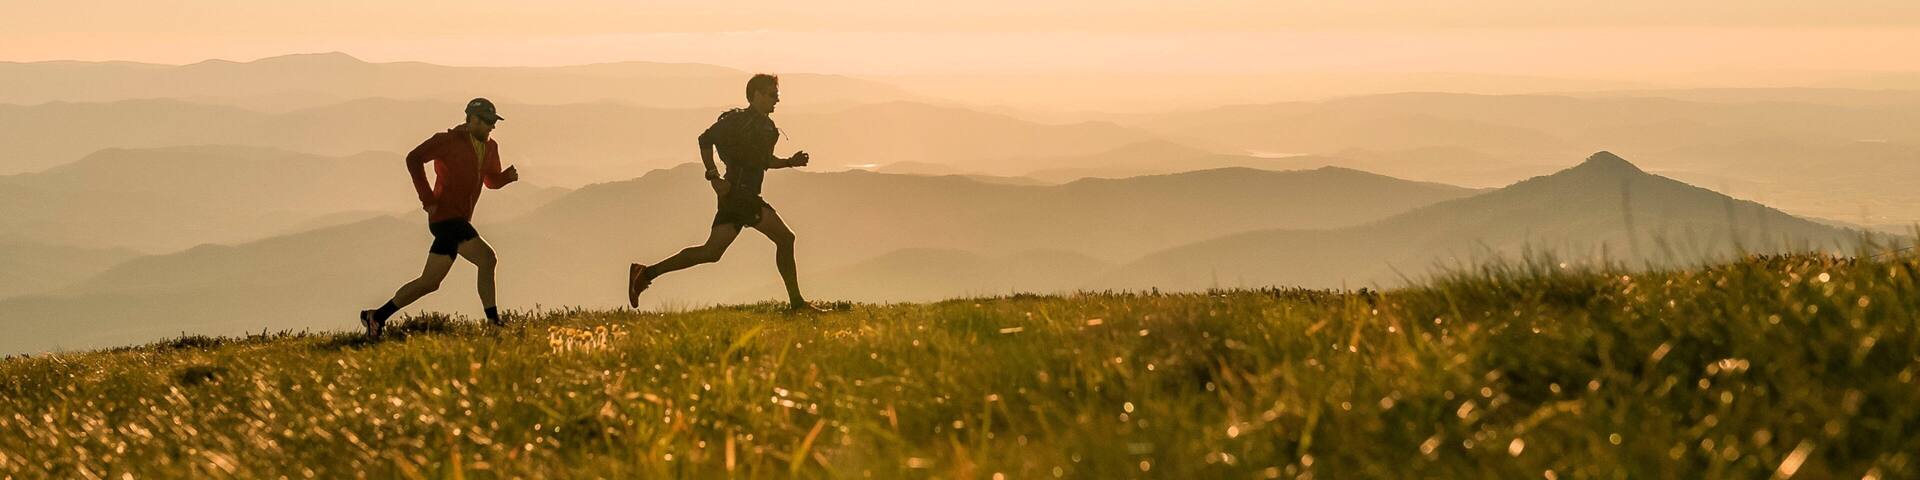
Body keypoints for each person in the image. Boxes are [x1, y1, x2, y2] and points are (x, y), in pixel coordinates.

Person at [628, 74, 827, 312]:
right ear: (756, 95)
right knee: (786, 238)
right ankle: (797, 303)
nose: (777, 100)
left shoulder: (768, 128)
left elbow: (763, 161)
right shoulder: (736, 121)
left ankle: (646, 273)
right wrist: (713, 176)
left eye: (778, 95)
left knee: (711, 252)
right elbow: (705, 139)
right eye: (772, 95)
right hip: (740, 196)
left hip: (737, 196)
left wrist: (789, 162)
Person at [359, 98, 520, 337]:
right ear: (472, 119)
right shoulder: (447, 141)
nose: (491, 127)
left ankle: (376, 316)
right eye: (487, 122)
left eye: (493, 122)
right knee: (487, 259)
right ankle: (494, 324)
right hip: (445, 218)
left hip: (459, 220)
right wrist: (428, 200)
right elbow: (413, 159)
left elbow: (490, 180)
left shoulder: (491, 147)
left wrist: (506, 178)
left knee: (430, 282)